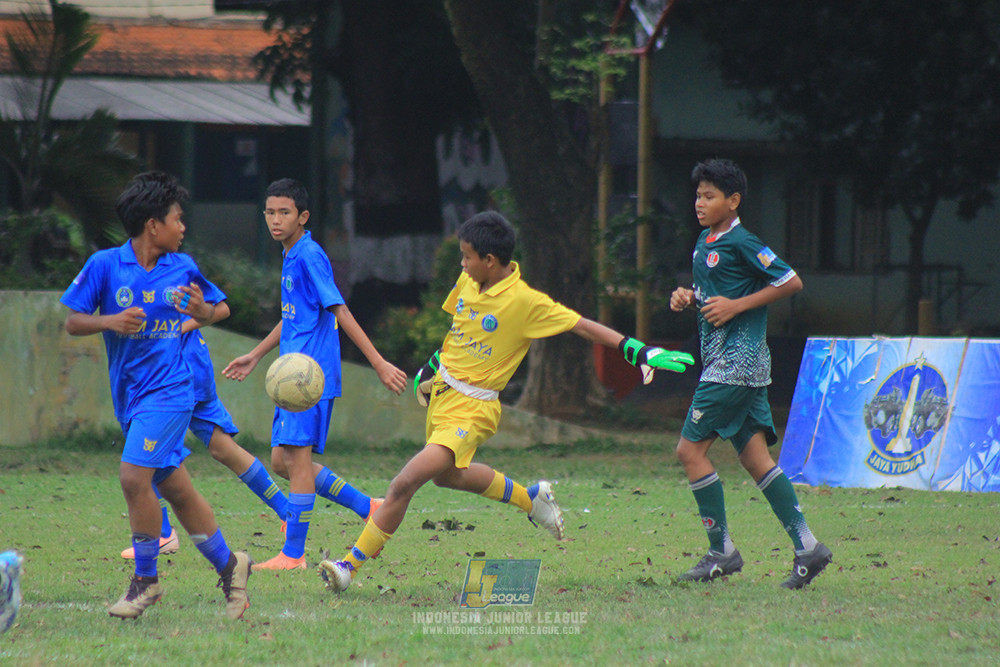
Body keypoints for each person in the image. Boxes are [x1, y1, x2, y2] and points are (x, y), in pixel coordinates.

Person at [318, 210, 695, 593]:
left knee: (404, 483)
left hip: (473, 409)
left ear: (490, 260)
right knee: (449, 477)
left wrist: (638, 350)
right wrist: (430, 370)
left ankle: (349, 566)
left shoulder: (525, 302)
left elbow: (581, 325)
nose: (462, 264)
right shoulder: (468, 281)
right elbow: (459, 332)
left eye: (467, 257)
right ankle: (531, 500)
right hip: (444, 396)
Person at [60, 171, 252, 619]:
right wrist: (109, 321)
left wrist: (203, 312)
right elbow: (72, 321)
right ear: (153, 225)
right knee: (176, 490)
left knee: (133, 478)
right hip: (131, 397)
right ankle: (231, 567)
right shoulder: (105, 265)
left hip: (171, 392)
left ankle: (145, 582)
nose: (183, 228)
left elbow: (219, 308)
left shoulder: (182, 268)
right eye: (177, 219)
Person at [223, 178, 407, 572]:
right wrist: (255, 355)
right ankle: (369, 507)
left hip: (307, 377)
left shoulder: (309, 255)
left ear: (303, 216)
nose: (275, 219)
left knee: (297, 461)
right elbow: (293, 318)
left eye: (284, 212)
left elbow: (340, 309)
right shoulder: (291, 254)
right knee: (282, 461)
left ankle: (293, 554)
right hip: (291, 373)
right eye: (270, 212)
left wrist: (377, 362)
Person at [669, 158, 832, 589]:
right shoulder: (705, 240)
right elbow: (716, 293)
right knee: (755, 459)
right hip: (734, 366)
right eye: (698, 195)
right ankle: (808, 548)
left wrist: (737, 306)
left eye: (709, 196)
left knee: (689, 452)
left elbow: (791, 281)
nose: (699, 203)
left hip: (734, 367)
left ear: (733, 201)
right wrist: (689, 297)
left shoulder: (743, 241)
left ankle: (721, 551)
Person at [119, 322, 289, 559]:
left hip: (174, 369)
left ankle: (163, 535)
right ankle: (287, 511)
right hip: (179, 366)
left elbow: (216, 309)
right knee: (222, 448)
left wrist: (169, 329)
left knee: (147, 450)